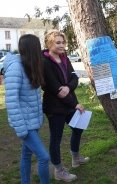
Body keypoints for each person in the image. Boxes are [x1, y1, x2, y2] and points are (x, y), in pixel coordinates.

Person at [42, 30, 89, 182]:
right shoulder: (44, 61)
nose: (62, 45)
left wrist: (68, 87)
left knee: (78, 127)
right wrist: (75, 104)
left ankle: (75, 157)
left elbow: (74, 77)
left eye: (63, 42)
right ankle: (58, 170)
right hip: (55, 106)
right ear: (50, 43)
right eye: (58, 42)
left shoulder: (64, 58)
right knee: (56, 139)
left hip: (68, 101)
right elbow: (55, 89)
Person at [3, 34, 50, 184]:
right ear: (32, 49)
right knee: (44, 157)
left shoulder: (29, 65)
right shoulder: (16, 68)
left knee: (26, 155)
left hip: (32, 121)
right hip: (24, 123)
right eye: (38, 47)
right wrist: (21, 129)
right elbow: (11, 101)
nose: (40, 50)